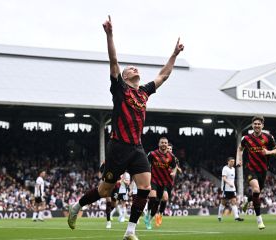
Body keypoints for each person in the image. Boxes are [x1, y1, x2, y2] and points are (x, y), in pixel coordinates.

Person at [67, 15, 184, 240]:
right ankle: (78, 206)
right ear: (124, 76)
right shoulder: (120, 89)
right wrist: (109, 34)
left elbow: (164, 74)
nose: (134, 69)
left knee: (145, 187)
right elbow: (113, 61)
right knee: (104, 190)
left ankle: (130, 231)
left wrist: (174, 54)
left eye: (135, 67)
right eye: (130, 68)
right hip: (118, 146)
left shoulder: (144, 92)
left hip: (137, 147)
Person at [236, 116, 276, 230]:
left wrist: (268, 152)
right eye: (255, 123)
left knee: (257, 193)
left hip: (263, 170)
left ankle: (247, 200)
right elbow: (240, 149)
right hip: (250, 168)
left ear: (262, 125)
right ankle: (259, 220)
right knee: (256, 189)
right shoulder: (246, 138)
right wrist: (239, 159)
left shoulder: (268, 137)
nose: (257, 125)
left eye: (259, 124)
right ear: (252, 125)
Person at [144, 137, 177, 230]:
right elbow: (146, 163)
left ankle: (150, 219)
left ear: (167, 144)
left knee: (158, 202)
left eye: (165, 143)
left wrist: (174, 172)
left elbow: (174, 166)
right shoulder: (153, 154)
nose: (164, 144)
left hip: (164, 182)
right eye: (162, 142)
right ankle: (147, 213)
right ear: (159, 144)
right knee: (153, 198)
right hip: (153, 179)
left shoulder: (171, 157)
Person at [155, 143, 182, 227]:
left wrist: (177, 168)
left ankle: (160, 214)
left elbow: (180, 171)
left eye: (171, 149)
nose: (169, 150)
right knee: (164, 197)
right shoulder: (162, 158)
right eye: (168, 149)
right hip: (161, 181)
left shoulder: (175, 159)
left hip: (170, 183)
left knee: (164, 200)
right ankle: (155, 214)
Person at [217, 157, 244, 222]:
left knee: (234, 202)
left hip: (232, 189)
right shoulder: (225, 168)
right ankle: (219, 216)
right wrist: (229, 183)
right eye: (231, 161)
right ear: (228, 162)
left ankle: (236, 217)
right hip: (225, 189)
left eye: (233, 161)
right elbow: (224, 178)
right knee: (223, 203)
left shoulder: (233, 169)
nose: (233, 163)